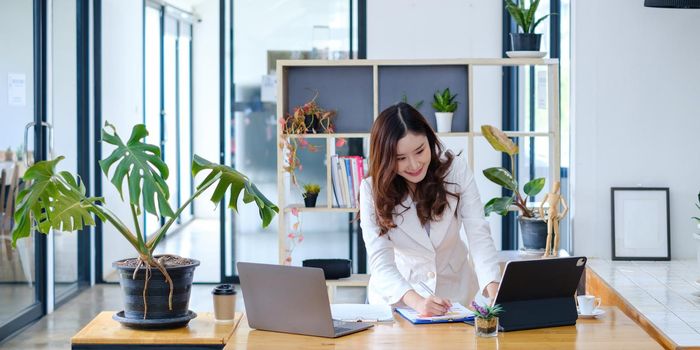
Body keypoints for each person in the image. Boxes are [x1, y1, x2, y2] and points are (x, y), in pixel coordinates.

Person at [360, 102, 501, 317]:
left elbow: (478, 233)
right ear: (387, 158)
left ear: (429, 139)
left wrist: (493, 288)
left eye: (420, 151)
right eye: (400, 158)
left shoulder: (455, 171)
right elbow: (381, 261)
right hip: (401, 299)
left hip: (456, 293)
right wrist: (416, 302)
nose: (415, 164)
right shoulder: (372, 190)